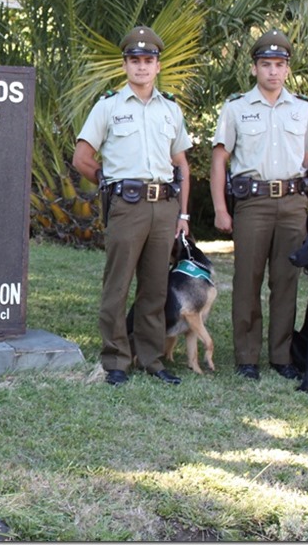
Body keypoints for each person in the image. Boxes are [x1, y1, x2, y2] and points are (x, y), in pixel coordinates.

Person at [72, 26, 192, 386]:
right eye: (135, 60)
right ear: (125, 65)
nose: (142, 67)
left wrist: (183, 214)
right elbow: (82, 157)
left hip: (164, 207)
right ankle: (116, 360)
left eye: (148, 60)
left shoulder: (171, 109)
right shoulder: (108, 106)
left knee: (155, 287)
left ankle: (152, 358)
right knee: (118, 285)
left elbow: (181, 164)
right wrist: (110, 184)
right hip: (127, 206)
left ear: (158, 66)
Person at [209, 29, 308, 381]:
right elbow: (219, 160)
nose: (272, 71)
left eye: (279, 65)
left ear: (287, 69)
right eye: (266, 65)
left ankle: (281, 355)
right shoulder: (236, 108)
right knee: (248, 280)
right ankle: (247, 356)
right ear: (254, 68)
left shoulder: (303, 109)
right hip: (253, 203)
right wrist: (219, 208)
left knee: (286, 280)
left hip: (293, 203)